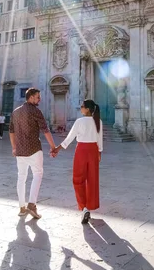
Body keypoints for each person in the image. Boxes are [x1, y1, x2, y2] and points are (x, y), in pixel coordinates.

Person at [52, 99, 103, 224]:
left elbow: (70, 138)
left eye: (82, 107)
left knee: (78, 179)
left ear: (87, 109)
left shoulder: (79, 121)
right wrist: (99, 152)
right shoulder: (98, 121)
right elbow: (99, 140)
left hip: (81, 150)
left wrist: (57, 149)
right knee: (92, 179)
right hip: (93, 151)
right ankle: (89, 207)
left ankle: (84, 207)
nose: (80, 108)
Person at [9, 88, 56, 219]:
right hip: (34, 149)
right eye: (37, 97)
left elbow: (11, 131)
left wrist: (14, 148)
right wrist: (53, 147)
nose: (39, 99)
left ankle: (22, 208)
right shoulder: (35, 111)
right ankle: (31, 204)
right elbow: (46, 130)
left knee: (21, 177)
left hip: (20, 151)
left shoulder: (16, 112)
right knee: (38, 174)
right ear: (30, 98)